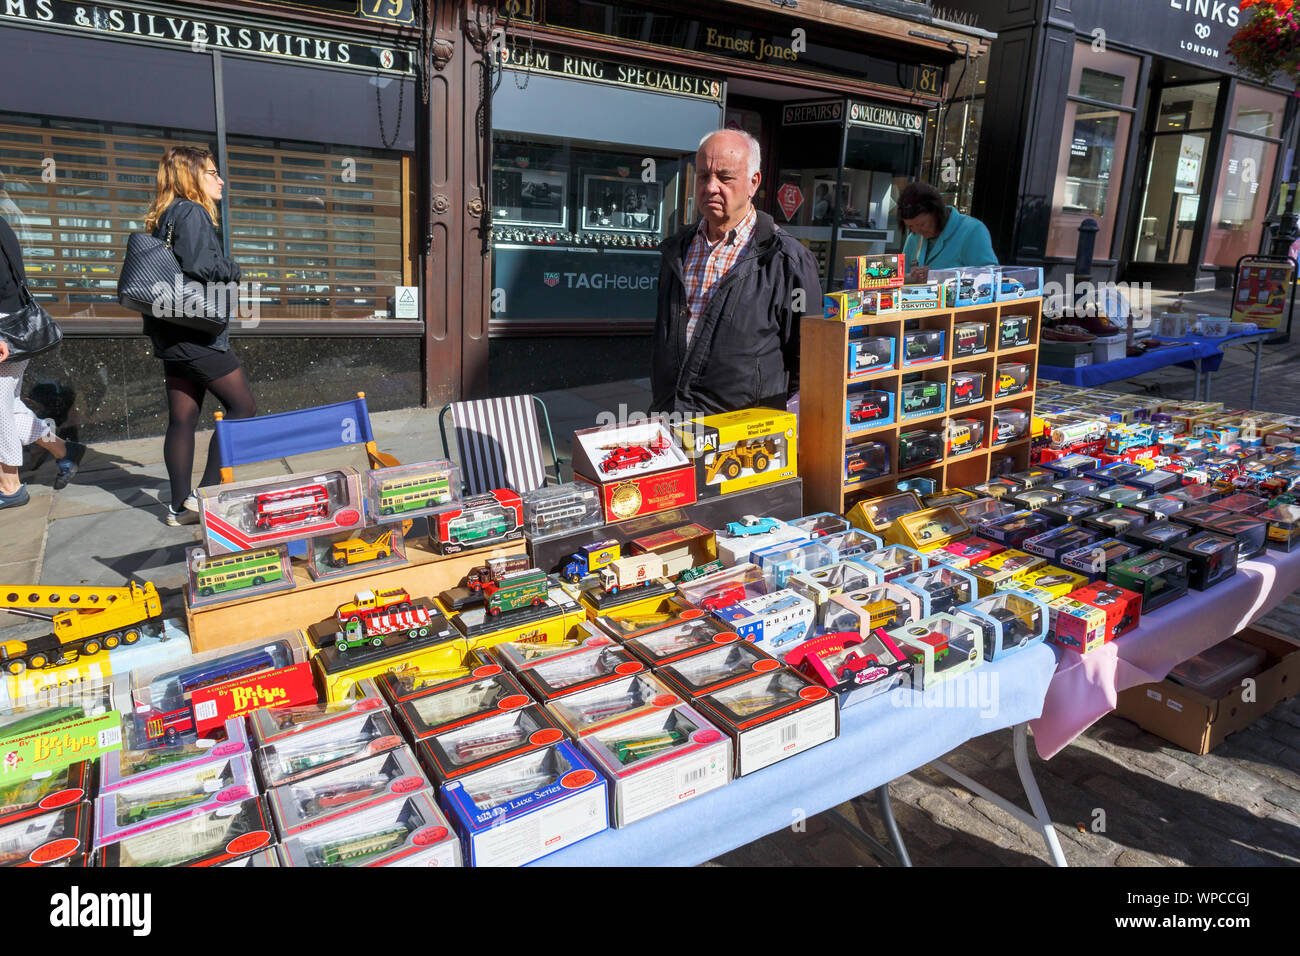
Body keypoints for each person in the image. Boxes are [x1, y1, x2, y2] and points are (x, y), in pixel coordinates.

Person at [651, 129, 821, 417]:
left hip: (741, 437)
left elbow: (808, 359)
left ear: (754, 182)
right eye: (703, 176)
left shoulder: (787, 259)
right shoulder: (677, 249)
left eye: (724, 177)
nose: (711, 187)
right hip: (672, 421)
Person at [141, 146, 255, 526]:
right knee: (243, 408)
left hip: (171, 331)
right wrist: (233, 268)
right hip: (196, 334)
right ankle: (206, 496)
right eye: (211, 173)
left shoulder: (166, 216)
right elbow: (201, 264)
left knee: (183, 418)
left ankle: (178, 507)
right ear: (192, 178)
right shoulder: (191, 211)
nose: (220, 180)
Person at [0, 215, 85, 510]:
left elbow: (3, 282)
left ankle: (10, 486)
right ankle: (64, 450)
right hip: (10, 325)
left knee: (0, 410)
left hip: (3, 330)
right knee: (8, 408)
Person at [898, 182, 997, 283]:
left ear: (937, 212)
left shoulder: (972, 231)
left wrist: (938, 276)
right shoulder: (913, 238)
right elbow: (899, 278)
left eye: (922, 224)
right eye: (910, 226)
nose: (917, 231)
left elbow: (990, 277)